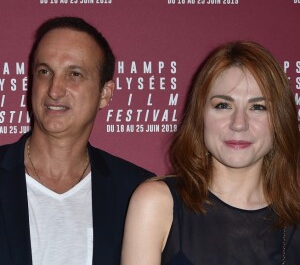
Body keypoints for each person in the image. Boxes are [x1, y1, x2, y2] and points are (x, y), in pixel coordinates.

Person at [121, 41, 300, 264]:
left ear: (280, 121)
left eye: (258, 107)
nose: (239, 124)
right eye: (223, 105)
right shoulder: (157, 203)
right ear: (200, 116)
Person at [0, 16, 154, 265]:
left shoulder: (137, 192)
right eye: (44, 71)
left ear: (105, 94)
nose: (54, 90)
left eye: (74, 74)